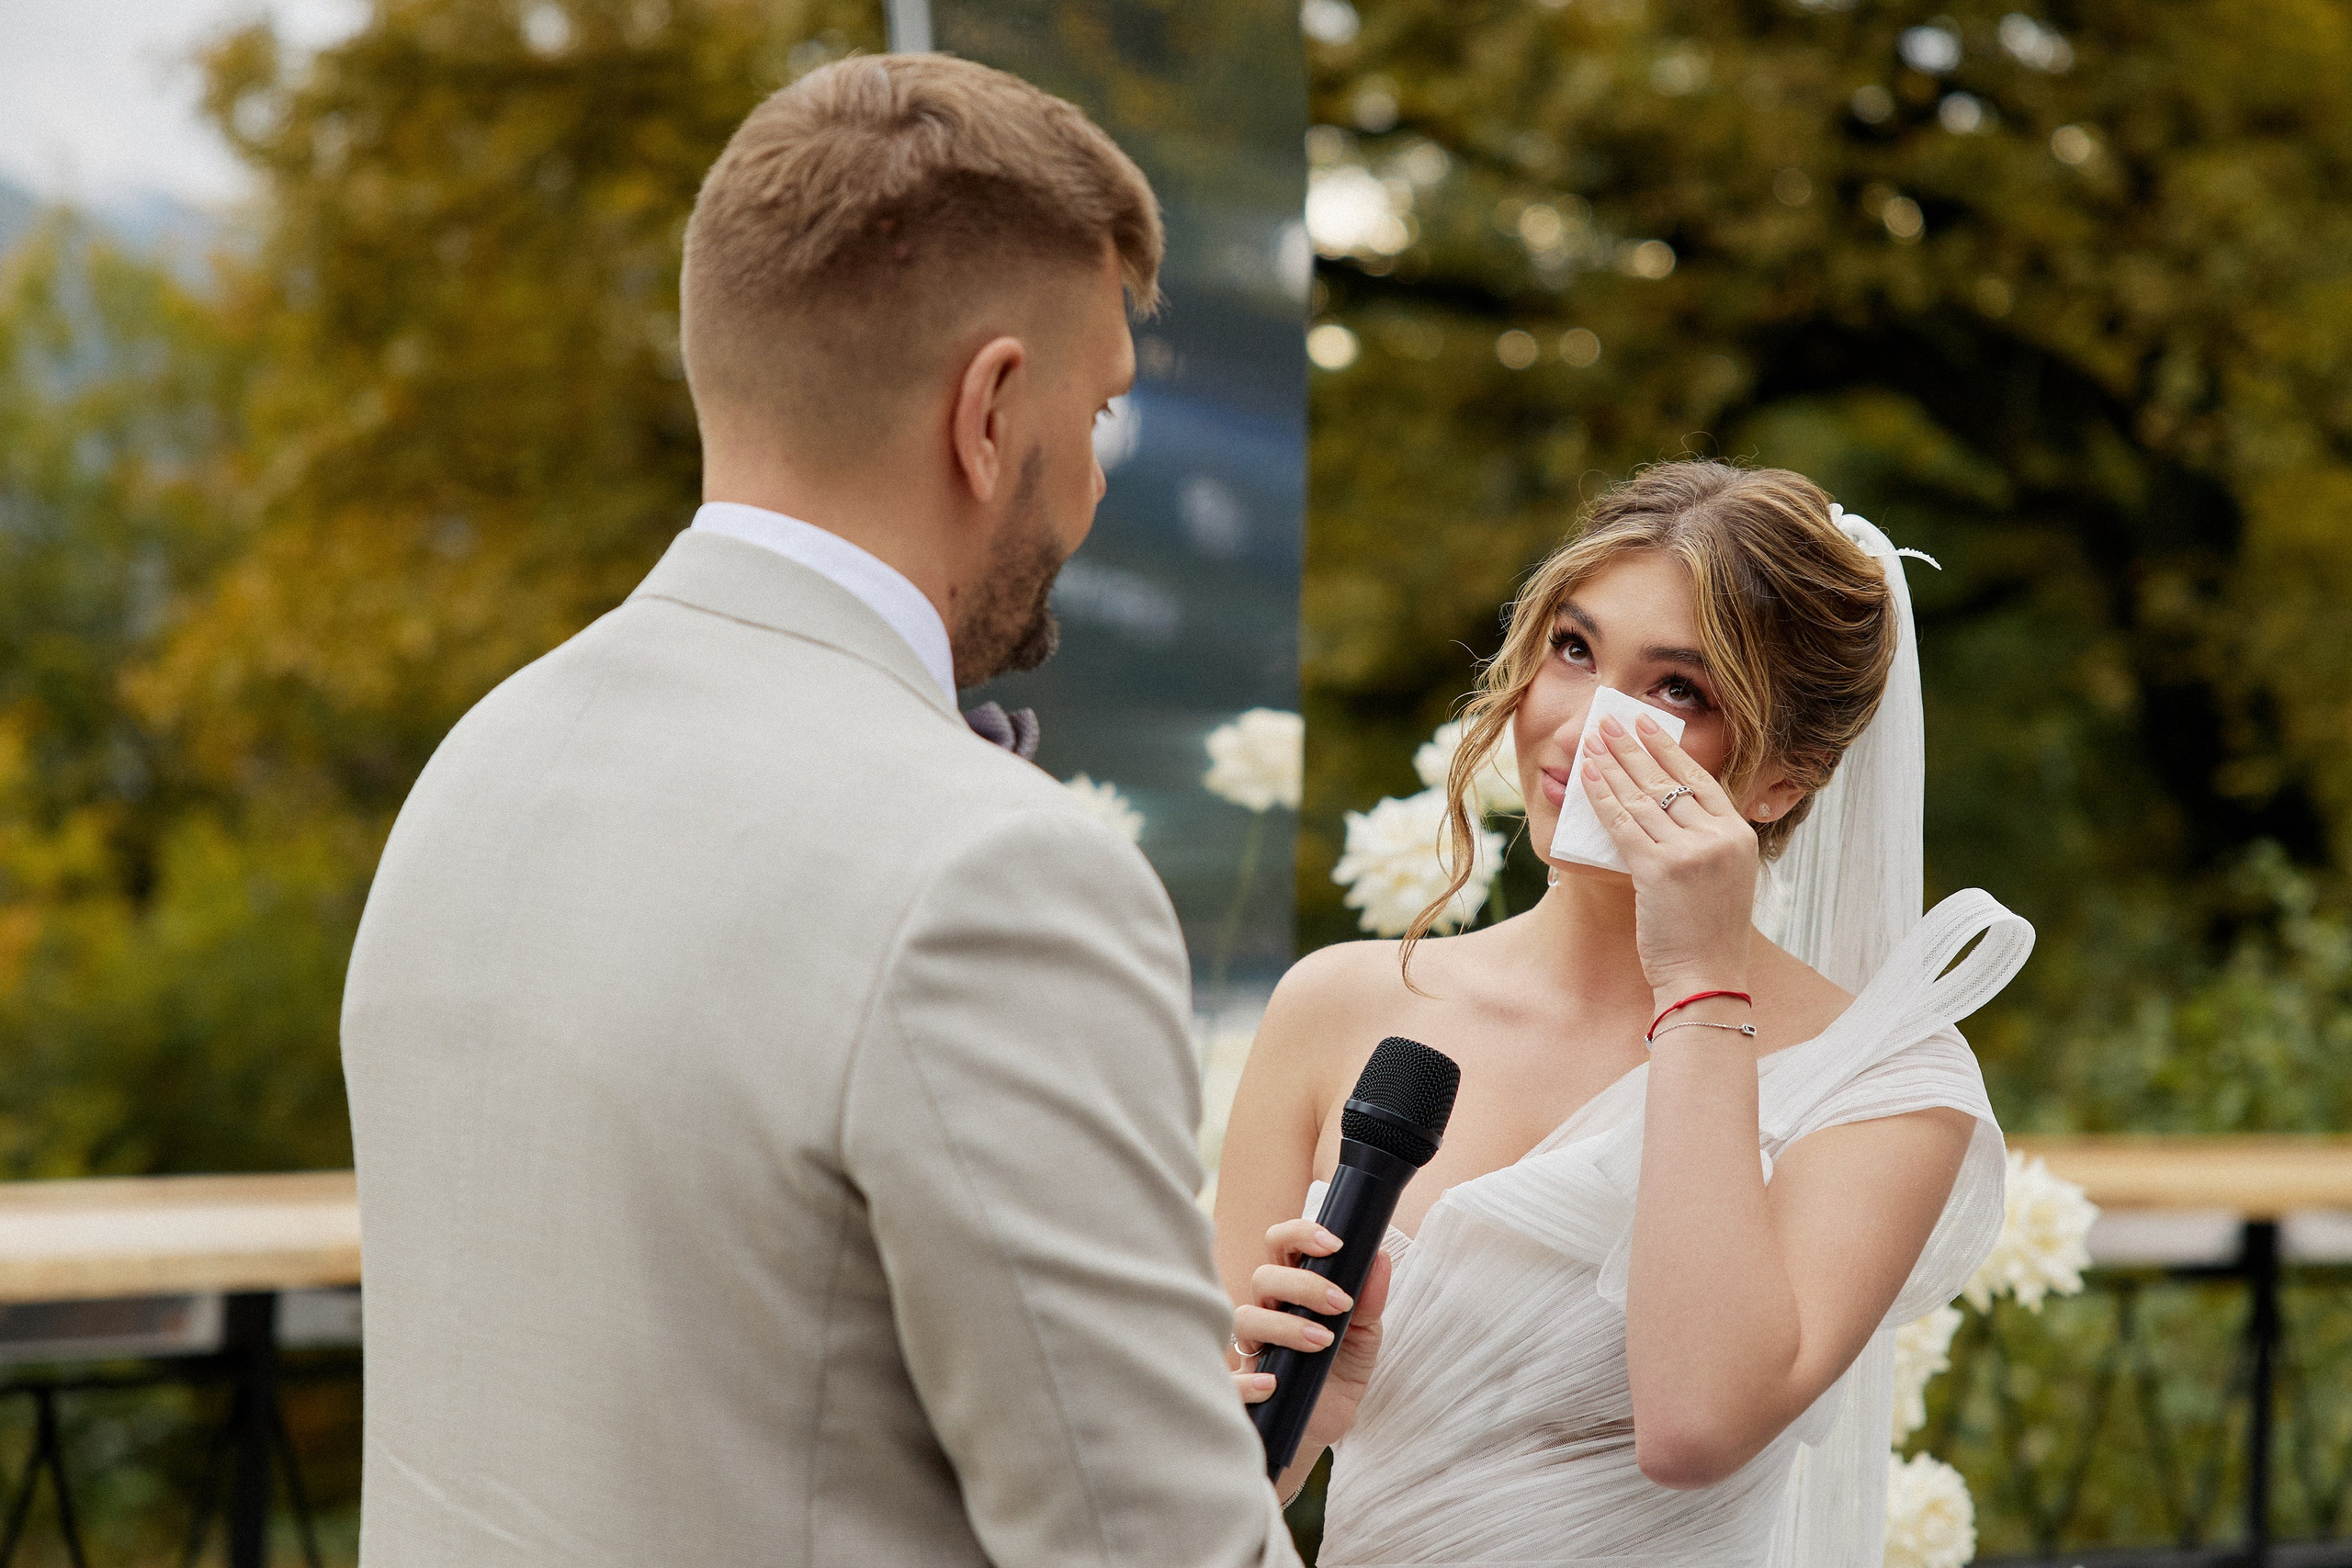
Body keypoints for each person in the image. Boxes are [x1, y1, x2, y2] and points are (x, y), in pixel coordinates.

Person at [341, 54, 1298, 1568]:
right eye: (1100, 414)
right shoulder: (992, 869)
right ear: (989, 412)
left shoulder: (479, 763)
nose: (1097, 492)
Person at [1215, 460, 2033, 1567]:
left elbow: (1695, 1427)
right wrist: (1288, 1429)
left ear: (1782, 781)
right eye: (1572, 649)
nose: (1579, 727)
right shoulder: (1339, 1005)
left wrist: (1701, 991)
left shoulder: (1883, 1086)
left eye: (1675, 691)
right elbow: (1199, 1502)